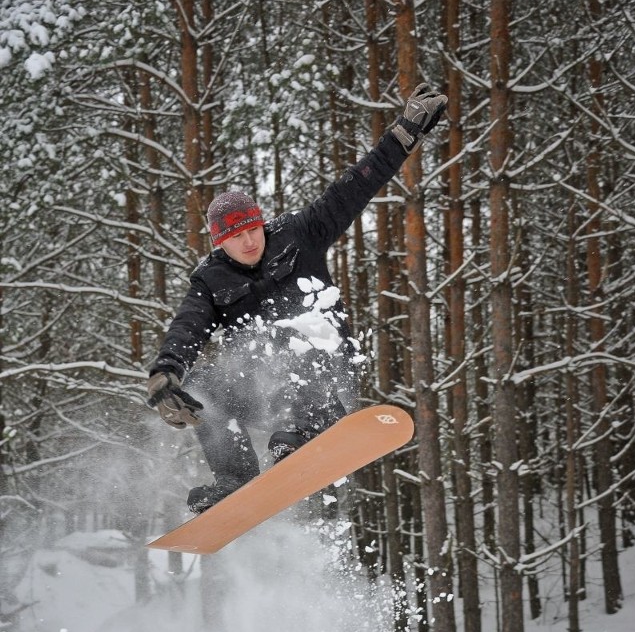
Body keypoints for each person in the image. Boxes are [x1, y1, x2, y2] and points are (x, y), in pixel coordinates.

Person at [147, 84, 448, 513]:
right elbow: (187, 326)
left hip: (321, 369)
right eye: (235, 237)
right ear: (220, 243)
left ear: (262, 224)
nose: (249, 242)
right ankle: (234, 477)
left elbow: (355, 187)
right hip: (260, 384)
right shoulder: (210, 281)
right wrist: (166, 374)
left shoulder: (299, 233)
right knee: (205, 387)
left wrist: (404, 133)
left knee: (292, 337)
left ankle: (311, 429)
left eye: (252, 229)